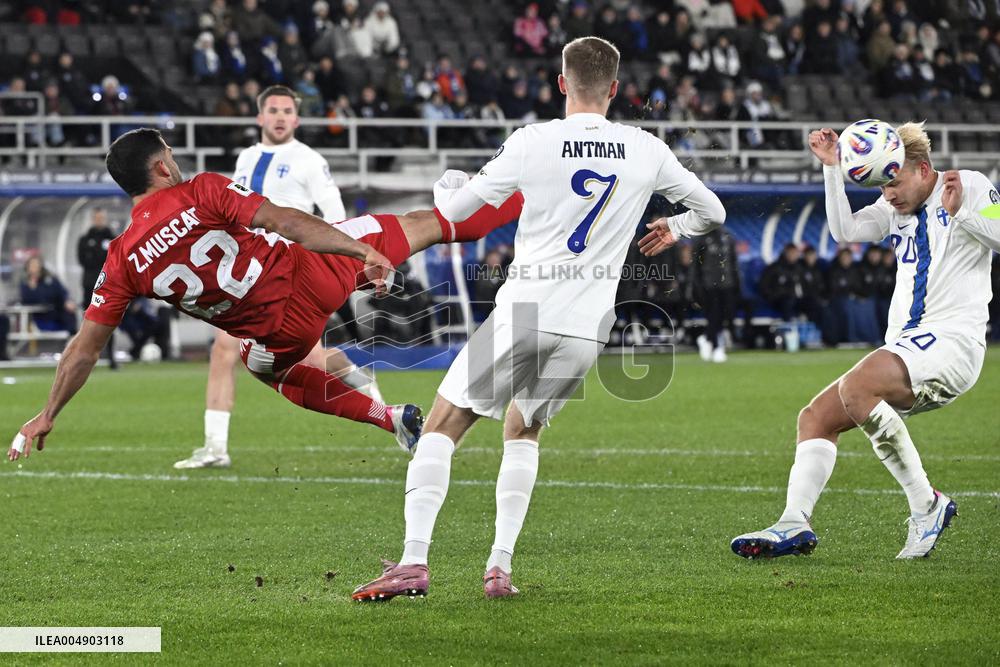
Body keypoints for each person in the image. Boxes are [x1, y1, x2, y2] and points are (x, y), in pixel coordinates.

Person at [351, 36, 725, 602]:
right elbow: (712, 211)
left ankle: (412, 563)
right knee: (523, 431)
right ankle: (498, 567)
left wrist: (448, 185)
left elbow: (453, 211)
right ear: (615, 90)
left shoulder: (534, 140)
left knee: (442, 427)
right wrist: (677, 229)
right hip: (590, 323)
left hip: (528, 307)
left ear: (560, 83)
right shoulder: (646, 148)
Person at [9, 128, 524, 464]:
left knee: (263, 369)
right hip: (313, 273)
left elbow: (84, 349)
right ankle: (531, 193)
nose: (177, 161)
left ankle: (390, 419)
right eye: (171, 154)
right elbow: (288, 222)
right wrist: (355, 250)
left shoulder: (121, 259)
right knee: (428, 223)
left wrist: (49, 411)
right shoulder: (202, 190)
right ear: (162, 166)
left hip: (278, 334)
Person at [731, 122, 999, 561]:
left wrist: (962, 213)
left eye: (893, 182)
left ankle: (927, 506)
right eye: (882, 184)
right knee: (815, 418)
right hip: (910, 345)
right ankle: (794, 521)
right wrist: (832, 169)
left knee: (857, 388)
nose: (888, 194)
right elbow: (845, 232)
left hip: (952, 342)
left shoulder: (965, 185)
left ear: (923, 169)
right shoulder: (895, 207)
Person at [174, 84, 372, 469]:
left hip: (291, 267)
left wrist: (338, 259)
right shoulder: (246, 157)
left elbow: (335, 214)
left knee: (305, 360)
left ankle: (368, 392)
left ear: (296, 119)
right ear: (260, 117)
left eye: (287, 111)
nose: (280, 117)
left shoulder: (309, 160)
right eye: (273, 110)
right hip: (247, 269)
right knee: (224, 351)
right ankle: (215, 447)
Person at [77, 207, 118, 369]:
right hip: (89, 286)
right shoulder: (85, 239)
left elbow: (112, 260)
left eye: (101, 217)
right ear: (93, 219)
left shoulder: (112, 238)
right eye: (97, 218)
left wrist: (95, 257)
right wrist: (98, 258)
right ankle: (84, 357)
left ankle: (111, 356)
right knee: (88, 321)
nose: (99, 220)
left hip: (108, 286)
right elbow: (83, 260)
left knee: (109, 320)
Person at [692, 227, 741, 362]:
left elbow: (733, 262)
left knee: (725, 316)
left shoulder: (728, 237)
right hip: (709, 285)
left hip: (727, 284)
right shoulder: (701, 238)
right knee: (713, 315)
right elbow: (696, 266)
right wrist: (697, 286)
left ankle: (707, 338)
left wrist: (737, 283)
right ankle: (716, 346)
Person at [19, 257, 76, 334]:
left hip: (57, 312)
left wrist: (67, 300)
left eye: (37, 265)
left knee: (69, 313)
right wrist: (33, 289)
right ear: (27, 268)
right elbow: (27, 300)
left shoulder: (50, 280)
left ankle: (73, 338)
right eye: (32, 266)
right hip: (41, 316)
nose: (35, 268)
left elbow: (62, 292)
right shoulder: (25, 284)